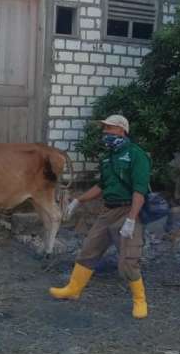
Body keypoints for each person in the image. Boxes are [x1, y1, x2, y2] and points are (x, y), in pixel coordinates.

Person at [49, 114, 151, 319]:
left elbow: (140, 190)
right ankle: (73, 289)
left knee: (128, 260)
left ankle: (140, 300)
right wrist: (78, 201)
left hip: (128, 210)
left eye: (109, 129)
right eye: (104, 129)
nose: (105, 133)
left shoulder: (136, 154)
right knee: (89, 249)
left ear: (122, 130)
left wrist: (131, 219)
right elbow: (101, 186)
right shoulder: (108, 157)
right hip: (108, 211)